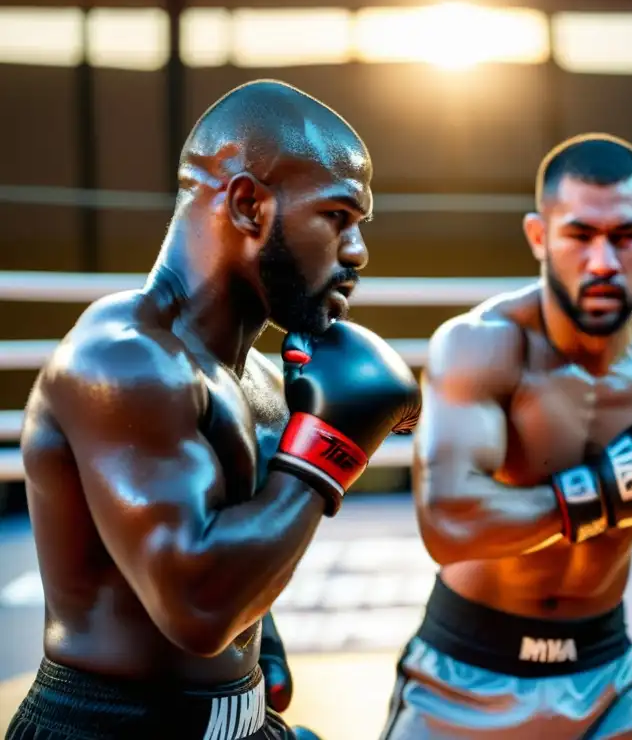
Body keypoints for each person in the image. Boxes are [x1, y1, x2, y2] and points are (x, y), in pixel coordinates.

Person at [8, 79, 421, 740]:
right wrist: (330, 448)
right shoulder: (124, 360)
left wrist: (264, 636)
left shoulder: (262, 376)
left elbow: (215, 519)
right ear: (251, 205)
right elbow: (197, 609)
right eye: (339, 217)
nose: (357, 252)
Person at [379, 133, 632, 739]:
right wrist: (607, 491)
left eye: (625, 236)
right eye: (579, 235)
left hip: (607, 678)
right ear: (538, 236)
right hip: (462, 675)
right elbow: (447, 524)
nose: (602, 262)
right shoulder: (483, 346)